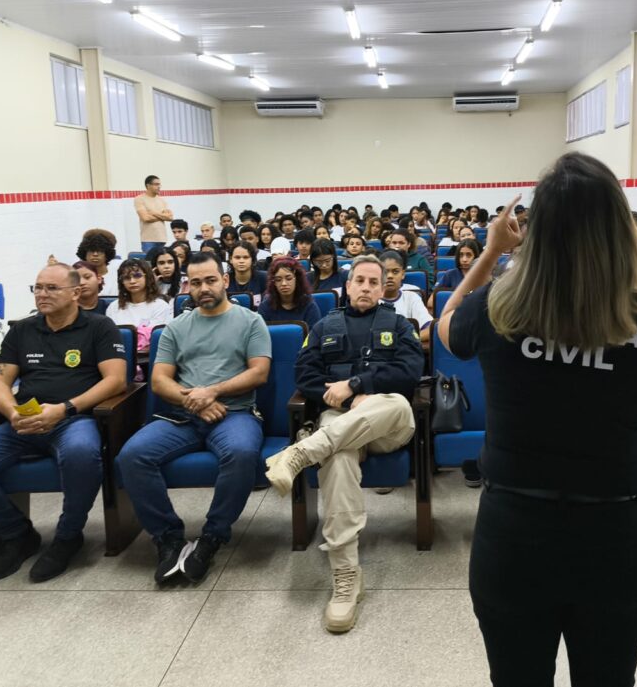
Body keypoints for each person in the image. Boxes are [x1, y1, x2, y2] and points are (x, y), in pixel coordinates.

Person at [436, 154, 637, 686]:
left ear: (537, 230)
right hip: (610, 536)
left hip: (513, 533)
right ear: (620, 227)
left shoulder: (498, 305)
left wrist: (492, 251)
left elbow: (446, 325)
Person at [265, 255, 424, 633]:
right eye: (359, 281)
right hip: (339, 422)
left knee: (397, 403)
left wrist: (356, 386)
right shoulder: (324, 326)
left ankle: (301, 453)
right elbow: (305, 375)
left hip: (387, 422)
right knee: (337, 459)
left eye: (373, 282)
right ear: (347, 286)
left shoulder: (399, 325)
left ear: (383, 287)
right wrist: (348, 400)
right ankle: (346, 576)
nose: (366, 287)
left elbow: (410, 371)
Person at [0, 263, 127, 582]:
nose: (42, 294)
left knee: (82, 453)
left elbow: (116, 380)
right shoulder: (23, 330)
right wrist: (12, 412)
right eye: (37, 287)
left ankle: (68, 536)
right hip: (23, 420)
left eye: (51, 288)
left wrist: (65, 409)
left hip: (74, 419)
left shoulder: (99, 326)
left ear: (76, 293)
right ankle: (18, 534)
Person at [116, 253, 271, 584]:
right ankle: (168, 538)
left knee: (241, 453)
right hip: (182, 416)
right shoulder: (176, 327)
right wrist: (196, 402)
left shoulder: (250, 321)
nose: (204, 288)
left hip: (235, 413)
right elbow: (159, 381)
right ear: (189, 286)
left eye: (211, 280)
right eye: (196, 282)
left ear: (225, 281)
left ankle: (212, 536)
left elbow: (259, 373)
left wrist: (212, 392)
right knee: (132, 456)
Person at [378, 250, 432, 347]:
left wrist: (404, 341)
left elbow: (430, 329)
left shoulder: (412, 298)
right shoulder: (370, 300)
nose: (390, 276)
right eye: (385, 272)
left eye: (395, 272)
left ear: (403, 274)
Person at [105, 259, 173, 332]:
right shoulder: (113, 307)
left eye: (137, 275)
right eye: (126, 277)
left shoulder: (161, 307)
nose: (132, 281)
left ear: (147, 277)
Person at [257, 257, 321, 330]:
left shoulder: (309, 306)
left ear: (297, 279)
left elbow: (314, 335)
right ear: (274, 283)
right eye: (278, 280)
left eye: (289, 278)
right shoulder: (265, 307)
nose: (284, 283)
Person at [134, 176, 173, 253]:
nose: (159, 187)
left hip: (162, 238)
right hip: (148, 240)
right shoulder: (139, 199)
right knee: (149, 260)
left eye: (159, 184)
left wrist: (154, 213)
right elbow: (145, 218)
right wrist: (162, 216)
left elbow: (170, 217)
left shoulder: (162, 200)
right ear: (148, 185)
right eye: (156, 184)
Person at [76, 229, 121, 296]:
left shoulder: (119, 274)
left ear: (107, 254)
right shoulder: (75, 275)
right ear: (84, 254)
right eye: (91, 250)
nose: (95, 254)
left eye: (100, 250)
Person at [226, 241, 267, 305]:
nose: (241, 261)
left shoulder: (264, 278)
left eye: (246, 257)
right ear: (231, 259)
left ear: (252, 260)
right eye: (237, 257)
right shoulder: (225, 279)